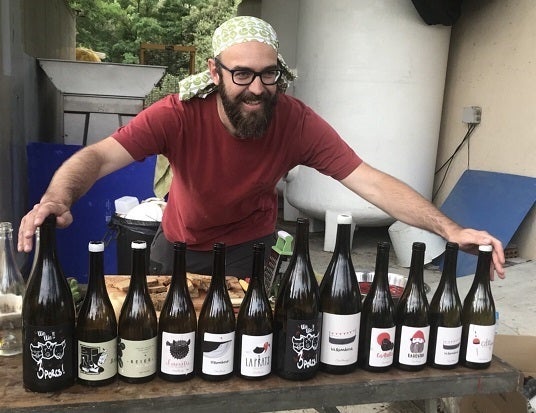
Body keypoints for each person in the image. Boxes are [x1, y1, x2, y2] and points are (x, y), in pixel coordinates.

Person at [18, 16, 505, 279]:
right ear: (214, 73)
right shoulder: (177, 115)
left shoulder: (295, 121)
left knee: (245, 360)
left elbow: (369, 181)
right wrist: (57, 198)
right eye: (242, 74)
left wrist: (450, 228)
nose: (256, 88)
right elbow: (99, 156)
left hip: (250, 250)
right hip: (178, 246)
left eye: (268, 74)